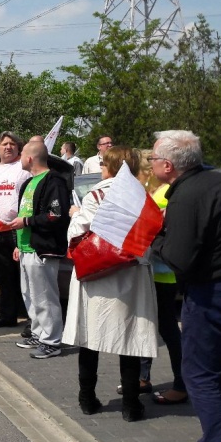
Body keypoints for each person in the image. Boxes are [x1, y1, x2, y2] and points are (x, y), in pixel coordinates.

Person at [63, 146, 158, 422]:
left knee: (89, 338)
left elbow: (76, 232)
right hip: (130, 273)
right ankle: (130, 405)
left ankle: (87, 399)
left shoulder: (95, 195)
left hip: (96, 273)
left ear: (108, 167)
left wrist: (75, 214)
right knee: (128, 340)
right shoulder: (142, 196)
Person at [150, 130, 221, 442]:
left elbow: (179, 258)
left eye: (152, 158)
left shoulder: (186, 194)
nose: (150, 163)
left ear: (167, 165)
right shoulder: (215, 181)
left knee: (200, 374)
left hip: (209, 293)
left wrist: (153, 239)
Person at [7, 142, 70, 359]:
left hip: (42, 249)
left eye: (22, 154)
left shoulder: (54, 181)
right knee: (31, 295)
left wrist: (26, 221)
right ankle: (38, 332)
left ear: (30, 158)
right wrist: (18, 243)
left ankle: (52, 341)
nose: (20, 158)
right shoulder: (28, 183)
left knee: (45, 297)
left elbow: (56, 215)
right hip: (25, 248)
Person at [136, 149, 187, 406]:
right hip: (152, 271)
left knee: (167, 329)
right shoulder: (153, 193)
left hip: (163, 274)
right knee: (147, 326)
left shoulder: (163, 195)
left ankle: (181, 382)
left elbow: (158, 230)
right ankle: (143, 378)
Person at [0, 131, 32, 328]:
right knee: (4, 276)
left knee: (25, 276)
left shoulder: (24, 169)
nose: (8, 147)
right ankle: (7, 315)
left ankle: (31, 318)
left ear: (19, 147)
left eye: (12, 144)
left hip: (19, 229)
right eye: (4, 144)